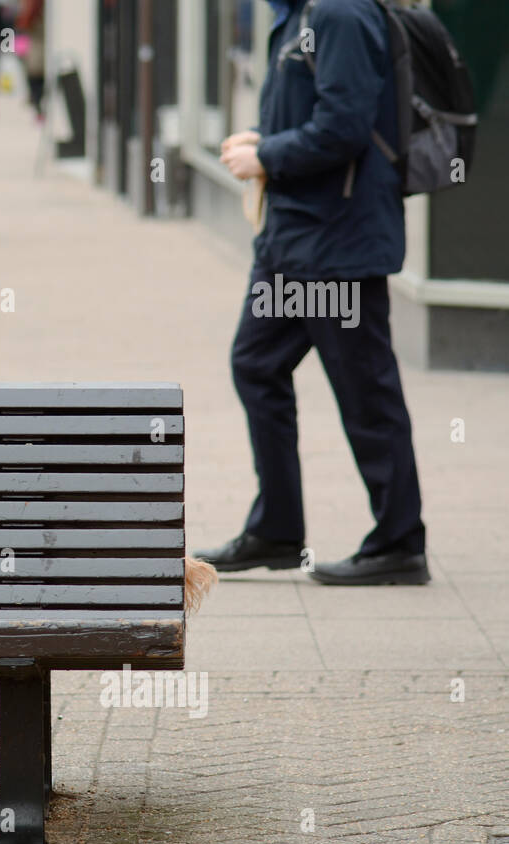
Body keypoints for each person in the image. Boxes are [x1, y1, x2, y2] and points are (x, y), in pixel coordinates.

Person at [195, 0, 428, 586]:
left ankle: (399, 542)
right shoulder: (298, 14)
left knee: (364, 387)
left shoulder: (339, 13)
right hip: (293, 244)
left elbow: (345, 127)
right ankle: (276, 528)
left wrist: (265, 154)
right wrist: (265, 138)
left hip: (334, 247)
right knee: (257, 364)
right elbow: (318, 111)